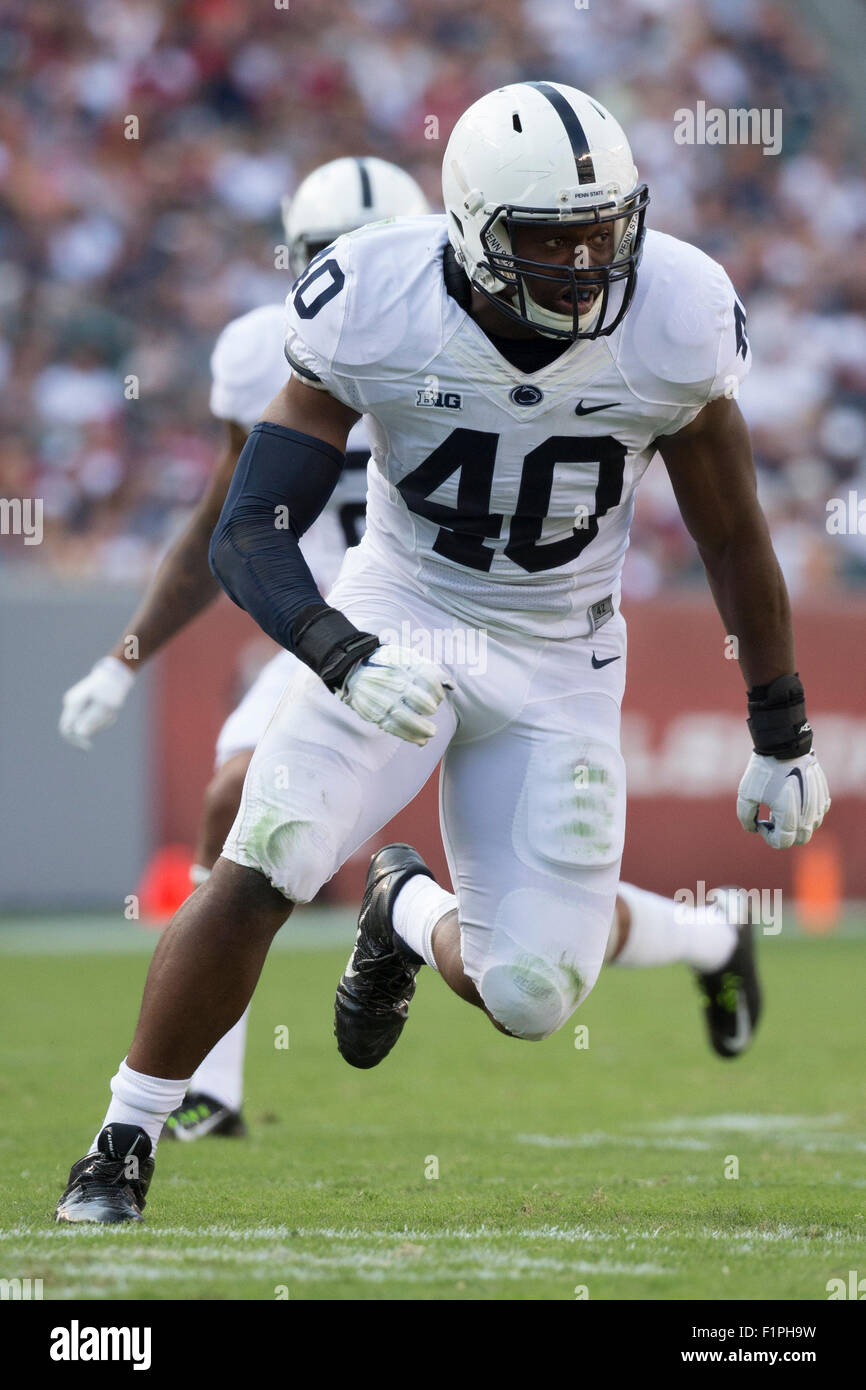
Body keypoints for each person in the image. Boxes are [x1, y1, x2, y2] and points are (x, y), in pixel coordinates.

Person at [54, 81, 829, 1223]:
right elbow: (249, 527)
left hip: (562, 653)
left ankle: (403, 907)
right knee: (261, 855)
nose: (582, 263)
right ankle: (122, 1137)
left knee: (528, 995)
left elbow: (730, 532)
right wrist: (337, 649)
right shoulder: (374, 295)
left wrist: (780, 727)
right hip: (402, 609)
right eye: (548, 239)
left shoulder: (677, 308)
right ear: (469, 228)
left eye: (602, 230)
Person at [58, 157, 430, 1140]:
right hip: (330, 624)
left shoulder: (463, 343)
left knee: (535, 945)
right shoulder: (266, 350)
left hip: (458, 616)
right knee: (234, 801)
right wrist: (123, 657)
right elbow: (222, 519)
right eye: (327, 259)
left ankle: (698, 938)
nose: (352, 276)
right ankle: (205, 1087)